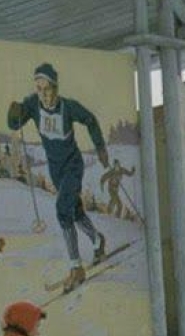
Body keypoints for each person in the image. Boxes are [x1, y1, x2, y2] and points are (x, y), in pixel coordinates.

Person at [7, 63, 109, 293]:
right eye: (39, 89)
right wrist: (13, 114)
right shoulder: (33, 104)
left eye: (47, 89)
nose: (43, 94)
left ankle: (76, 267)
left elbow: (90, 120)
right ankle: (97, 240)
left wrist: (100, 148)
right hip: (56, 170)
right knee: (75, 211)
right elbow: (15, 123)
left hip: (72, 166)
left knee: (63, 210)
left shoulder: (68, 107)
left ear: (56, 87)